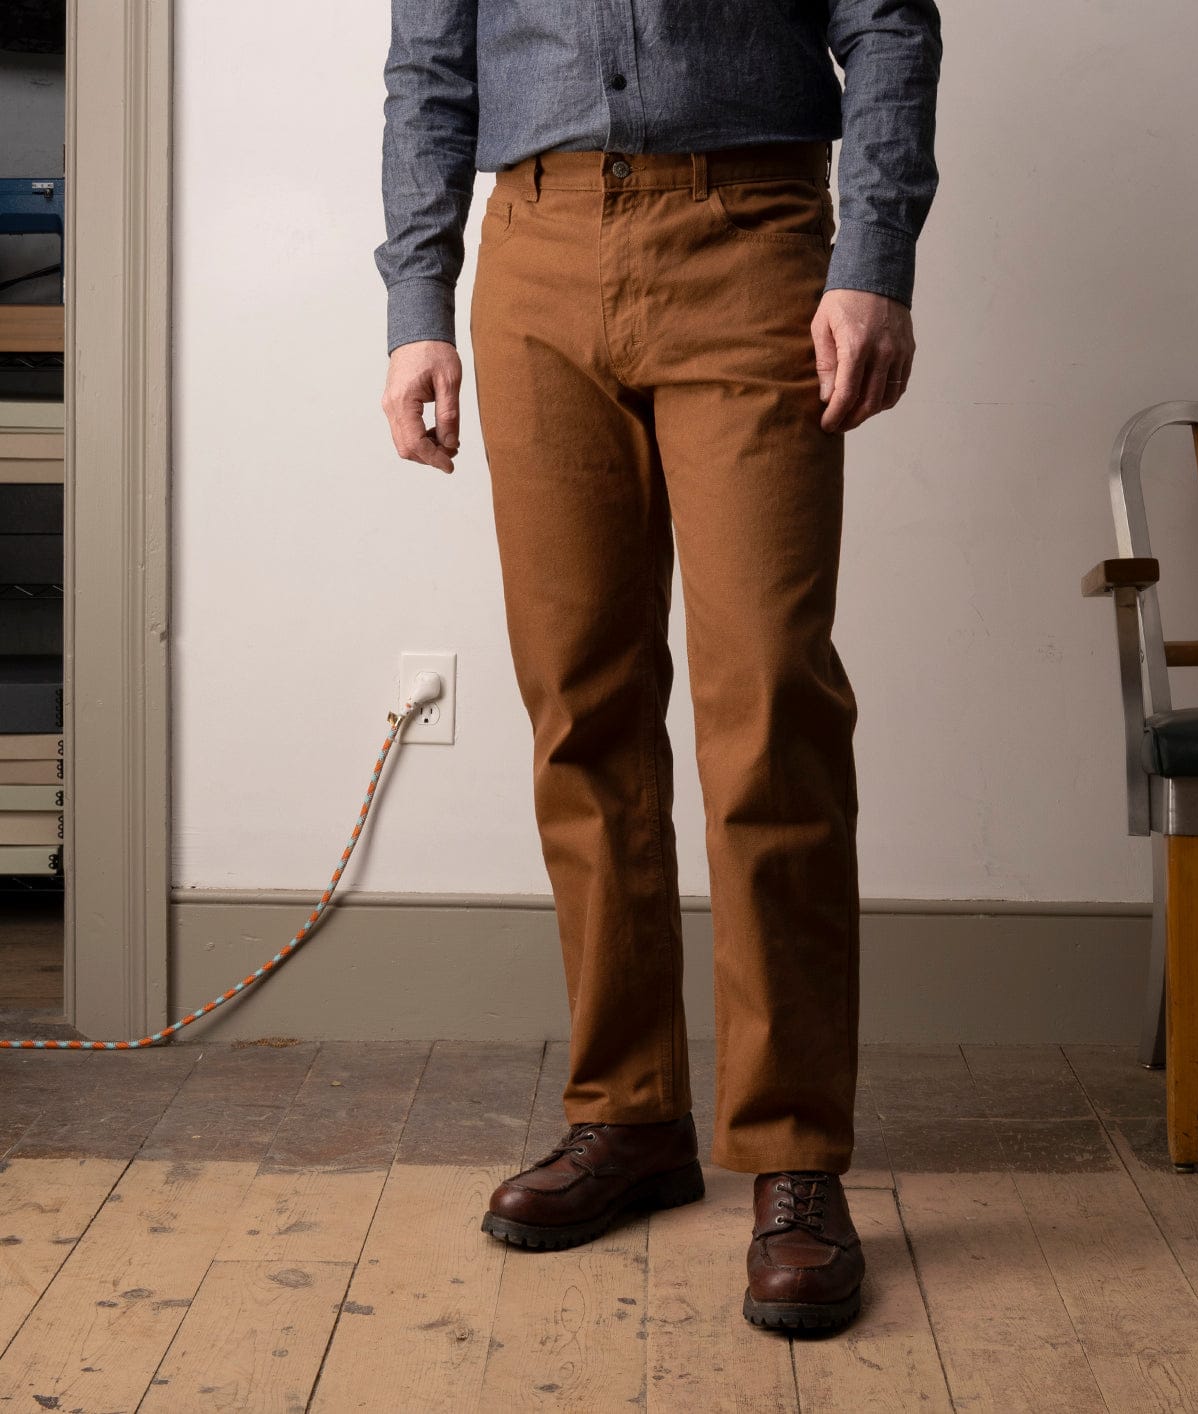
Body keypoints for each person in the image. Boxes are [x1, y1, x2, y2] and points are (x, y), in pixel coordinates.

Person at [376, 0, 941, 1333]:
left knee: (771, 702)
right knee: (581, 706)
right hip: (535, 251)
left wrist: (876, 258)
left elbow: (891, 24)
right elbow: (429, 63)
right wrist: (417, 302)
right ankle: (627, 1116)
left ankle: (795, 1153)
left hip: (752, 235)